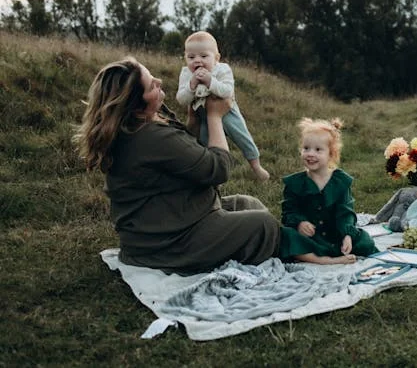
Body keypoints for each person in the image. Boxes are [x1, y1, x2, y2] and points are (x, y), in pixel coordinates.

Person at [73, 57, 311, 274]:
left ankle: (293, 241)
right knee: (264, 225)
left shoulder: (131, 127)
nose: (159, 81)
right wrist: (215, 117)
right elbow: (218, 169)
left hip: (165, 220)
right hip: (169, 243)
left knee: (247, 203)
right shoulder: (150, 136)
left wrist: (193, 122)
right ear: (136, 105)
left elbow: (182, 156)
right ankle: (307, 248)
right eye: (151, 85)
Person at [280, 117, 379, 264]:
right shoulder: (295, 183)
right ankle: (325, 261)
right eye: (306, 148)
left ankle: (337, 251)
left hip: (335, 235)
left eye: (318, 150)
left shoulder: (340, 181)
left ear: (331, 154)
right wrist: (300, 223)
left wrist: (347, 235)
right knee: (285, 236)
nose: (310, 154)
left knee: (366, 242)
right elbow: (289, 211)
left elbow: (345, 212)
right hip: (310, 238)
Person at [175, 31, 270, 182]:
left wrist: (209, 81)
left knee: (242, 136)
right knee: (205, 143)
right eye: (191, 57)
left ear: (216, 58)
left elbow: (227, 91)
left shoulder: (223, 69)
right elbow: (181, 99)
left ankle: (256, 166)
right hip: (202, 114)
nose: (197, 61)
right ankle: (212, 173)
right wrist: (191, 85)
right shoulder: (186, 74)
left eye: (204, 56)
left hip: (227, 110)